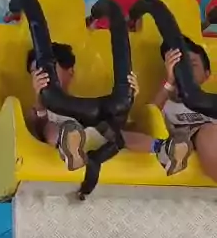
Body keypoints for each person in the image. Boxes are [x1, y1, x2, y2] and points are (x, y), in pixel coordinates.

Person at [26, 42, 192, 175]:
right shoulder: (37, 109)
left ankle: (163, 149)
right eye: (35, 72)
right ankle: (72, 150)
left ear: (70, 72)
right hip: (60, 144)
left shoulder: (87, 106)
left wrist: (128, 99)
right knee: (52, 130)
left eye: (49, 70)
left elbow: (123, 125)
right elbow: (37, 129)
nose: (43, 76)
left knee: (119, 133)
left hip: (97, 139)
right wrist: (40, 101)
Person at [153, 36, 217, 181]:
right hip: (181, 142)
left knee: (210, 132)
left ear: (206, 74)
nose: (185, 71)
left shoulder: (212, 102)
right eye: (179, 65)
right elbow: (149, 118)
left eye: (192, 65)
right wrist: (169, 82)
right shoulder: (165, 103)